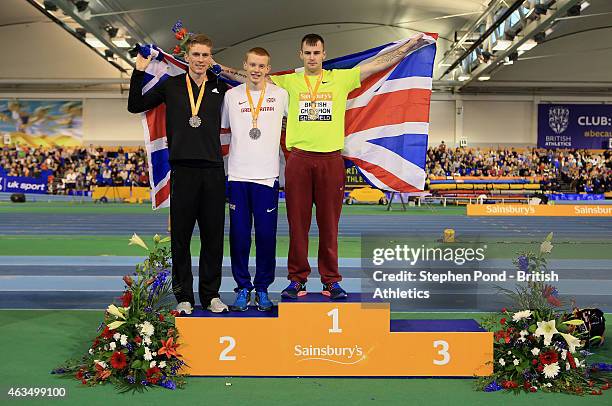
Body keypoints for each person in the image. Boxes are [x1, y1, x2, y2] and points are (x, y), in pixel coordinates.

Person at [217, 33, 427, 300]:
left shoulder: (341, 78)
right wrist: (216, 65)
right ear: (300, 55)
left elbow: (376, 64)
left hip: (330, 159)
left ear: (324, 55)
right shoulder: (288, 83)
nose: (312, 57)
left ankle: (330, 281)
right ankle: (297, 280)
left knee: (329, 226)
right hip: (299, 160)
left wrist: (408, 47)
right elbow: (246, 76)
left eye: (316, 53)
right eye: (307, 53)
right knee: (298, 225)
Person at [127, 34, 229, 314]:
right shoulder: (170, 85)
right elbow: (135, 105)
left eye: (205, 55)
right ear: (186, 57)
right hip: (182, 171)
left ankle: (211, 295)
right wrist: (139, 69)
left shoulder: (221, 85)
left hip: (213, 171)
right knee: (181, 238)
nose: (200, 60)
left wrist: (227, 70)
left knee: (213, 238)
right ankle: (183, 295)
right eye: (195, 55)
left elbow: (254, 84)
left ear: (211, 58)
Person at [221, 47, 288, 311]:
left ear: (268, 69)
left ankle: (262, 288)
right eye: (252, 65)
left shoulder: (281, 95)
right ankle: (242, 287)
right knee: (238, 236)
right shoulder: (231, 96)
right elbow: (225, 128)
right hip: (237, 176)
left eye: (262, 66)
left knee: (266, 236)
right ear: (244, 66)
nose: (256, 70)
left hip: (267, 178)